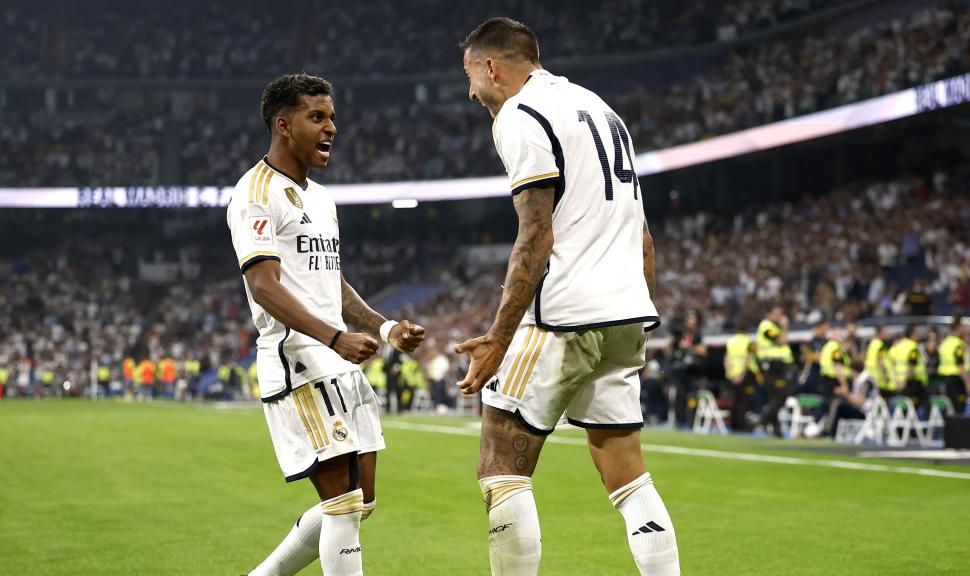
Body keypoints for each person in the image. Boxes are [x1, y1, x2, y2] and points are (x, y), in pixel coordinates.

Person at [454, 18, 679, 576]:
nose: (469, 92)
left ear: (491, 68)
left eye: (469, 77)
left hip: (564, 311)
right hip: (624, 309)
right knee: (627, 472)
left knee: (501, 465)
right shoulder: (601, 109)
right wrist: (637, 315)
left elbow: (536, 231)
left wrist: (500, 337)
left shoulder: (520, 115)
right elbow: (642, 231)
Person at [228, 73, 426, 576]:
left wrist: (384, 329)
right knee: (343, 503)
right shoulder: (254, 192)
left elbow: (331, 283)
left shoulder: (322, 198)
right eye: (317, 117)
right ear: (284, 124)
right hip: (299, 363)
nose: (331, 127)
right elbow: (264, 287)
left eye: (332, 117)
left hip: (335, 363)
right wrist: (334, 337)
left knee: (363, 502)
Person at [756, 305, 794, 437]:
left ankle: (776, 431)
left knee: (774, 398)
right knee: (781, 396)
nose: (779, 316)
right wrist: (785, 326)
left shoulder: (774, 327)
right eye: (777, 313)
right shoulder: (767, 326)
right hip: (772, 366)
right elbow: (781, 341)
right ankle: (763, 420)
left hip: (777, 365)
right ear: (769, 313)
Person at [724, 321, 759, 432]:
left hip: (732, 374)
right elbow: (747, 358)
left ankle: (733, 425)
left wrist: (730, 373)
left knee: (734, 400)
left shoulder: (730, 341)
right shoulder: (749, 341)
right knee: (743, 401)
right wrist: (742, 374)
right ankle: (741, 425)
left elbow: (727, 358)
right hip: (744, 374)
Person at [936, 318, 970, 413]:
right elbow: (960, 364)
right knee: (959, 409)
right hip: (956, 380)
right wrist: (968, 383)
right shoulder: (958, 344)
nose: (964, 330)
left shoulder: (945, 343)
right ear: (958, 328)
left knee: (948, 408)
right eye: (963, 327)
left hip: (944, 379)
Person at [864, 325, 895, 401]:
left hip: (870, 377)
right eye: (885, 333)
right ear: (880, 333)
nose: (888, 335)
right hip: (878, 379)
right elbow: (881, 361)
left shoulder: (872, 344)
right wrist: (886, 376)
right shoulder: (879, 345)